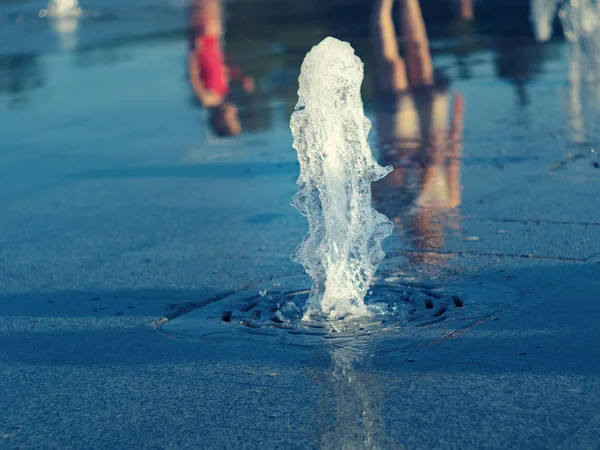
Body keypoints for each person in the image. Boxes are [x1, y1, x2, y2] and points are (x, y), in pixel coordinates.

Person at [371, 0, 465, 265]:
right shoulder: (448, 203)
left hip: (397, 138)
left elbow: (371, 177)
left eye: (421, 245)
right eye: (432, 242)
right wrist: (456, 123)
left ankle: (382, 8)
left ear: (412, 242)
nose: (426, 238)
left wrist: (412, 185)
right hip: (433, 129)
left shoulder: (389, 212)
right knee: (421, 57)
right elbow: (453, 162)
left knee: (394, 68)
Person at [188, 0, 254, 137]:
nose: (235, 111)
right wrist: (240, 77)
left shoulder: (207, 99)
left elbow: (193, 76)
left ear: (219, 120)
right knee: (213, 8)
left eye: (232, 118)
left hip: (202, 45)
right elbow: (223, 66)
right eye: (235, 117)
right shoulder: (223, 93)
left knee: (205, 8)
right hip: (214, 43)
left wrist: (193, 53)